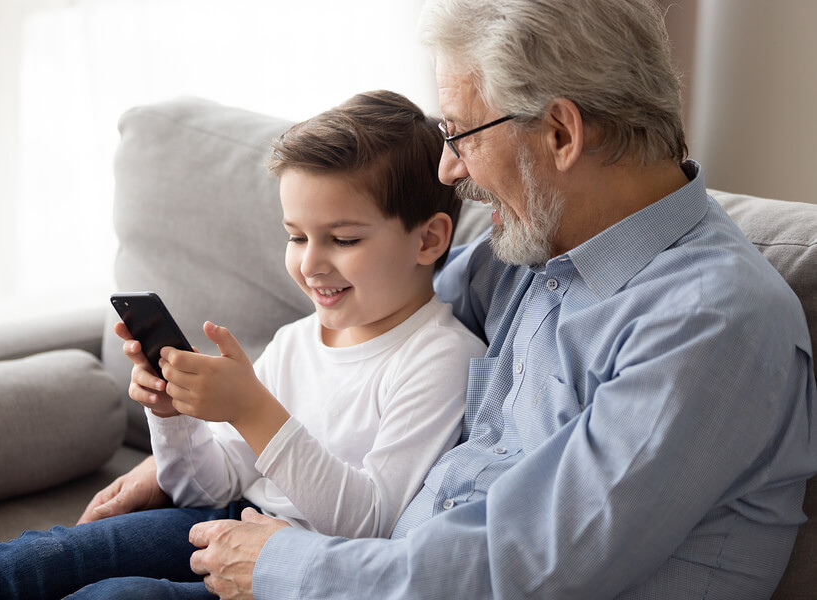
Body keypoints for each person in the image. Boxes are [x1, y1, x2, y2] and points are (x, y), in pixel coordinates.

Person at [67, 0, 817, 598]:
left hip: (379, 577)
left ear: (560, 132)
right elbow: (374, 320)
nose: (451, 169)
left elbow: (527, 568)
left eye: (459, 134)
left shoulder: (713, 325)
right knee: (53, 565)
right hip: (375, 559)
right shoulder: (527, 248)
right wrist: (185, 448)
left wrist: (291, 569)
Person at [0, 90, 487, 599]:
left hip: (305, 570)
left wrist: (252, 409)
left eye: (342, 239)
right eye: (296, 235)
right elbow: (204, 486)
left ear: (429, 239)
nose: (310, 263)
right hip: (226, 517)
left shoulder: (440, 358)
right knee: (41, 556)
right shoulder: (297, 341)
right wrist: (172, 415)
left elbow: (371, 525)